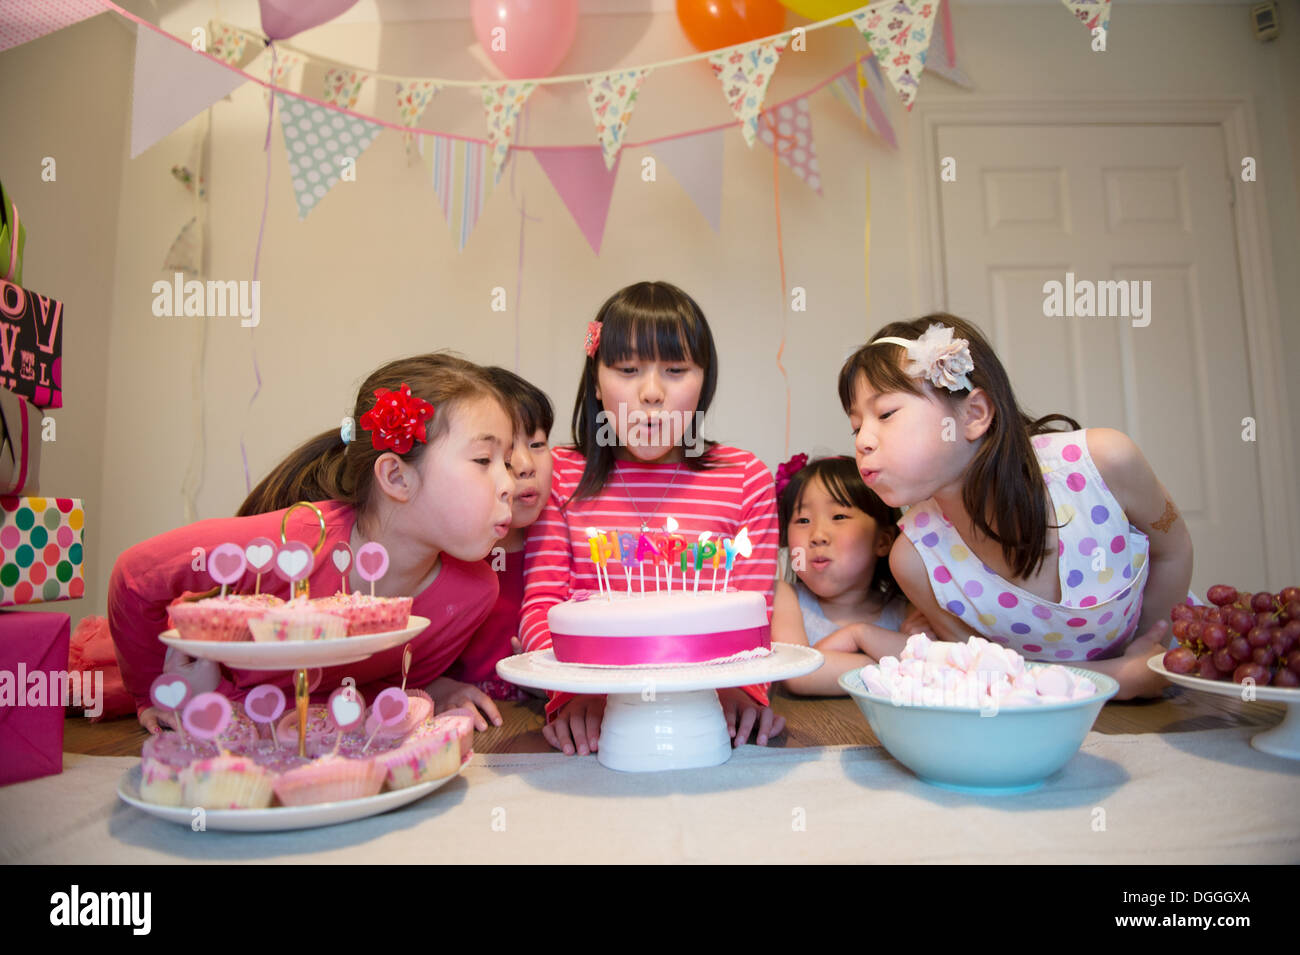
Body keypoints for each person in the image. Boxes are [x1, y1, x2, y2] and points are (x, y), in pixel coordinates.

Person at [109, 353, 515, 734]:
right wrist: (150, 693)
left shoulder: (472, 594)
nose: (509, 484)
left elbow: (374, 683)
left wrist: (434, 688)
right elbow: (134, 574)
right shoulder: (290, 543)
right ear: (396, 477)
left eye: (509, 463)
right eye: (483, 461)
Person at [838, 315, 1191, 699]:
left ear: (974, 415)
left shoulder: (1104, 463)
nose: (863, 442)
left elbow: (1174, 551)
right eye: (856, 426)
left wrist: (1151, 651)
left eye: (886, 414)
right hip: (1041, 714)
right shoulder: (914, 561)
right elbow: (992, 674)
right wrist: (1120, 679)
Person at [519, 281, 784, 755]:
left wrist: (742, 689)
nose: (652, 392)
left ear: (706, 381)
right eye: (627, 369)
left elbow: (755, 612)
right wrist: (571, 694)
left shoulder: (745, 477)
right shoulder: (559, 475)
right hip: (596, 715)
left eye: (677, 369)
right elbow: (542, 606)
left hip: (707, 717)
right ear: (597, 380)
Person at [445, 367, 555, 701]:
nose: (524, 465)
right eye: (504, 454)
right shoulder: (448, 551)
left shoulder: (560, 543)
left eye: (537, 444)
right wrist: (437, 688)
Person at [771, 455, 921, 695]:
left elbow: (930, 665)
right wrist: (866, 648)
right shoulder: (785, 598)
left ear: (882, 541)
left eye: (839, 517)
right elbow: (798, 673)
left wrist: (860, 634)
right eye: (803, 520)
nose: (818, 535)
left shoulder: (906, 610)